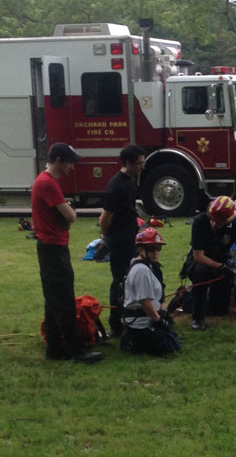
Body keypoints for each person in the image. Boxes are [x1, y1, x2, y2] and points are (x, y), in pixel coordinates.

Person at [31, 142, 104, 363]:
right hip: (53, 248)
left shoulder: (44, 181)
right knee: (63, 300)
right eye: (70, 163)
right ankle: (77, 350)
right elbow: (71, 217)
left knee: (53, 299)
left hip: (49, 246)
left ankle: (54, 348)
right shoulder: (48, 184)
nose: (72, 167)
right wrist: (71, 209)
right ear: (59, 160)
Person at [187, 195, 236, 331]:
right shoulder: (200, 222)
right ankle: (197, 318)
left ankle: (192, 301)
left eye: (219, 223)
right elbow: (198, 256)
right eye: (212, 220)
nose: (214, 225)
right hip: (201, 263)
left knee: (220, 310)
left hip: (222, 262)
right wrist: (220, 267)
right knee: (201, 273)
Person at [97, 144, 146, 334]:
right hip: (119, 241)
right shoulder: (116, 186)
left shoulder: (131, 180)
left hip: (132, 238)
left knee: (133, 278)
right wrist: (106, 237)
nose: (142, 167)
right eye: (139, 164)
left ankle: (132, 316)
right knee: (120, 281)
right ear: (127, 163)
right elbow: (105, 217)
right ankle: (116, 325)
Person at [121, 227, 179, 355]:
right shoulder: (142, 270)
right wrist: (159, 321)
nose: (156, 252)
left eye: (159, 248)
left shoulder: (143, 265)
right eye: (152, 248)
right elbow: (145, 302)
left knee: (172, 337)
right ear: (141, 249)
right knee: (170, 346)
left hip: (142, 319)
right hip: (141, 323)